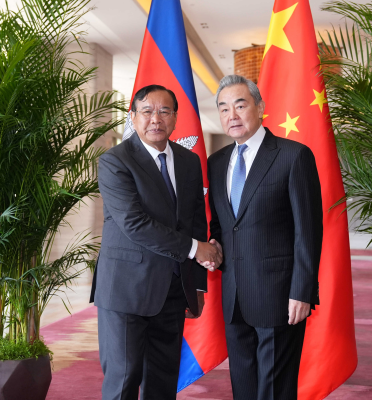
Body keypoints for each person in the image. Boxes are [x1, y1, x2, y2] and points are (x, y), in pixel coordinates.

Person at [89, 84, 222, 400]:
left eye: (164, 111)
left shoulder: (188, 161)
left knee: (163, 382)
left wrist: (196, 286)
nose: (156, 119)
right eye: (147, 111)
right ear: (133, 117)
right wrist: (195, 249)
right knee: (124, 380)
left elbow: (195, 222)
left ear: (175, 118)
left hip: (172, 291)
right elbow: (134, 224)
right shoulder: (115, 161)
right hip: (126, 291)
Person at [202, 75, 323, 400]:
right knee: (242, 385)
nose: (232, 115)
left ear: (260, 107)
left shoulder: (293, 156)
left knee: (275, 389)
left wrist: (302, 290)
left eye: (240, 105)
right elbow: (224, 225)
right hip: (234, 296)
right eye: (224, 108)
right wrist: (214, 246)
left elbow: (308, 231)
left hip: (280, 296)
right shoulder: (216, 163)